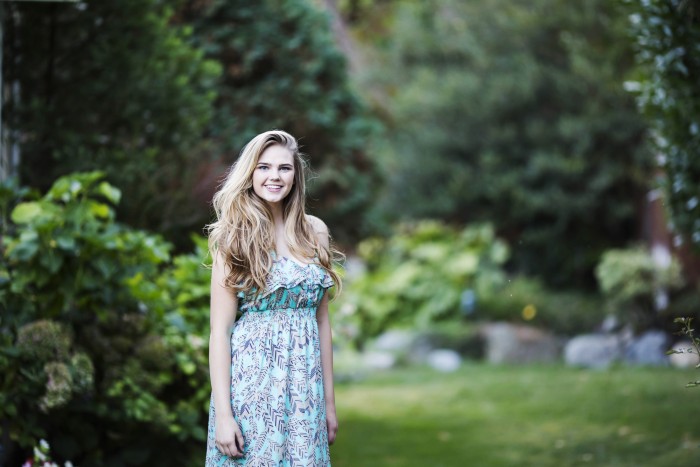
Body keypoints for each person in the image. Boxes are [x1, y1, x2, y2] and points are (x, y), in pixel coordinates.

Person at [205, 130, 341, 466]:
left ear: (296, 175)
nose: (274, 177)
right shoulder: (233, 237)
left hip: (304, 387)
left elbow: (322, 321)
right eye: (264, 167)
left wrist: (328, 403)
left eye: (284, 168)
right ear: (250, 174)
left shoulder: (315, 232)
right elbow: (220, 332)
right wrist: (224, 415)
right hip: (253, 384)